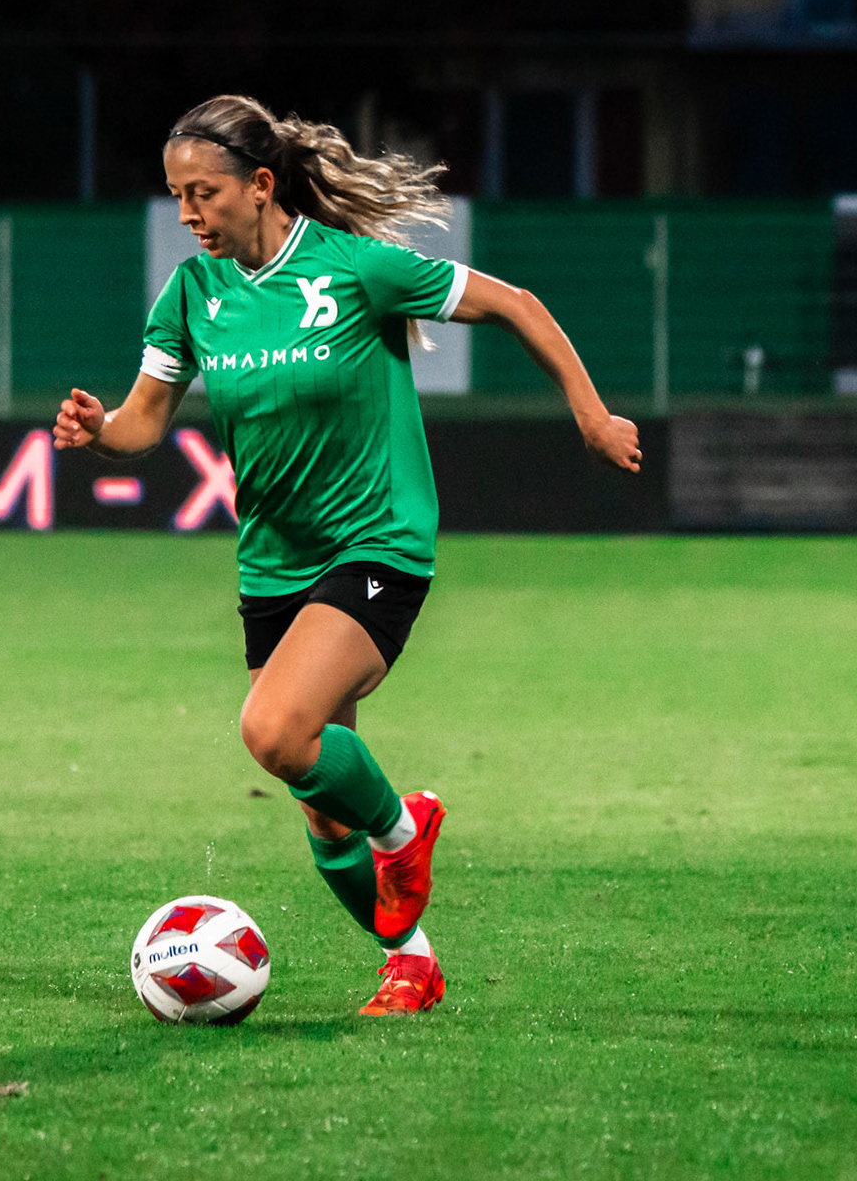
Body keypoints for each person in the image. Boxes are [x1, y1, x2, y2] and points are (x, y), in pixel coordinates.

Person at [54, 95, 640, 1016]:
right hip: (273, 567)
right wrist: (98, 434)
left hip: (377, 544)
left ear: (260, 184)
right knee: (323, 814)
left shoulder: (356, 270)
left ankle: (405, 828)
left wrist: (592, 415)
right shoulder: (192, 296)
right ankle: (412, 959)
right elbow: (144, 422)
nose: (187, 214)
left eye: (202, 192)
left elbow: (516, 304)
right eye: (176, 196)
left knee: (273, 731)